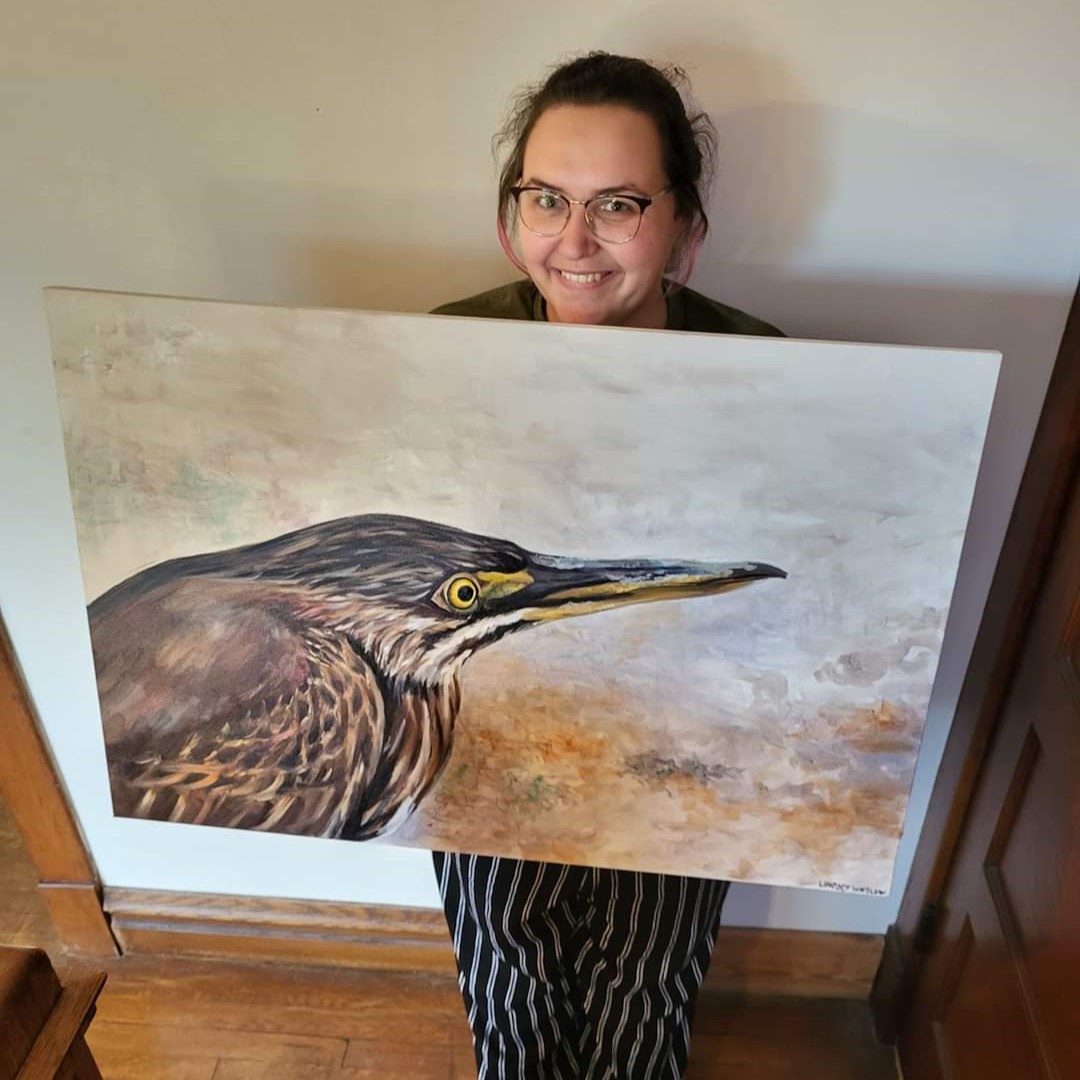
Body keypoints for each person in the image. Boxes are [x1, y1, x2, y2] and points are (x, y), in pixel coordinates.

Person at [430, 51, 782, 1080]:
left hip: (679, 723)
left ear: (685, 230)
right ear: (511, 215)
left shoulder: (770, 375)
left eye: (619, 203)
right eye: (548, 198)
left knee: (650, 967)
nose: (575, 241)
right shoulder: (438, 356)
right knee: (505, 952)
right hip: (488, 723)